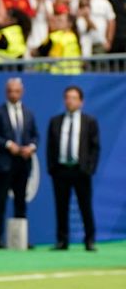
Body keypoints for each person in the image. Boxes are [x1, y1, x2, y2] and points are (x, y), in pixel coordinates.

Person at [0, 78, 39, 249]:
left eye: (16, 91)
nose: (13, 94)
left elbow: (35, 136)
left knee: (20, 201)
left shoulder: (29, 113)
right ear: (6, 92)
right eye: (10, 91)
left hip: (23, 163)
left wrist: (30, 147)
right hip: (4, 164)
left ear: (21, 92)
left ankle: (20, 239)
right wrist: (9, 145)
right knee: (0, 201)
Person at [47, 86, 100, 252]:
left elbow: (95, 147)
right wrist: (52, 168)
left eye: (74, 98)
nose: (70, 101)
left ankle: (89, 240)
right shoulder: (55, 121)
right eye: (67, 98)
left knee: (85, 206)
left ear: (81, 102)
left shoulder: (89, 121)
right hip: (61, 170)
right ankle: (62, 240)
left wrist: (89, 169)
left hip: (81, 170)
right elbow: (50, 147)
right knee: (61, 207)